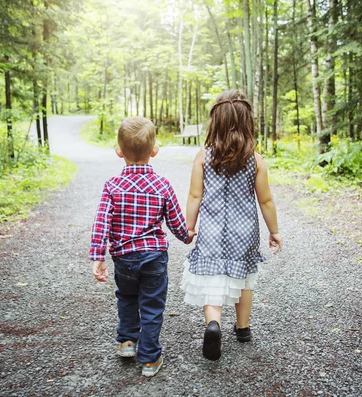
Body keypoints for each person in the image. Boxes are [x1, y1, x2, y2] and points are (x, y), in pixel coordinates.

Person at [180, 89, 283, 361]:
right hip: (244, 232)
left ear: (216, 122)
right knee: (244, 278)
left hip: (212, 232)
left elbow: (194, 195)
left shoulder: (204, 156)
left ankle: (213, 324)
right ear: (248, 123)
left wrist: (188, 227)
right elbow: (266, 201)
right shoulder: (255, 160)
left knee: (212, 278)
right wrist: (274, 231)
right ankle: (243, 328)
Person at [90, 116, 195, 377]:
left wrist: (98, 256)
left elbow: (102, 221)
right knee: (152, 306)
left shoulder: (112, 186)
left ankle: (127, 342)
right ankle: (149, 359)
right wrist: (187, 235)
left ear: (119, 152)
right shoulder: (162, 185)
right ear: (154, 151)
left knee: (126, 297)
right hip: (154, 258)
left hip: (124, 258)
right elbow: (175, 221)